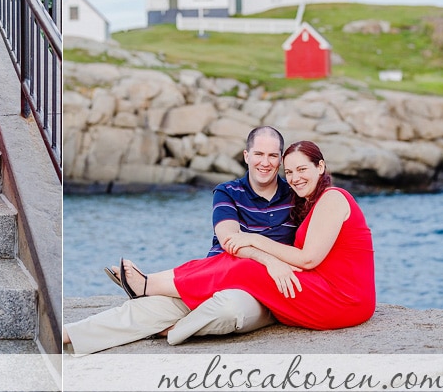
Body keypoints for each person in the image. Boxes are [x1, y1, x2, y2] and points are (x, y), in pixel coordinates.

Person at [63, 126, 298, 355]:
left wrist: (271, 265)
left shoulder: (295, 197)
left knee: (230, 309)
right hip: (214, 276)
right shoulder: (227, 191)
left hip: (260, 290)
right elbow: (229, 241)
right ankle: (69, 334)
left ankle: (171, 329)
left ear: (281, 160)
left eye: (272, 155)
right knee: (151, 309)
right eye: (258, 154)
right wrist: (270, 260)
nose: (265, 162)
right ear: (247, 156)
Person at [116, 141, 376, 332]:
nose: (295, 179)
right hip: (333, 294)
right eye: (289, 172)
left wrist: (254, 239)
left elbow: (308, 260)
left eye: (302, 170)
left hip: (343, 301)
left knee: (245, 266)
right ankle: (152, 284)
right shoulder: (315, 203)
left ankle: (149, 286)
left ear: (320, 167)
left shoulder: (332, 198)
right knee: (239, 262)